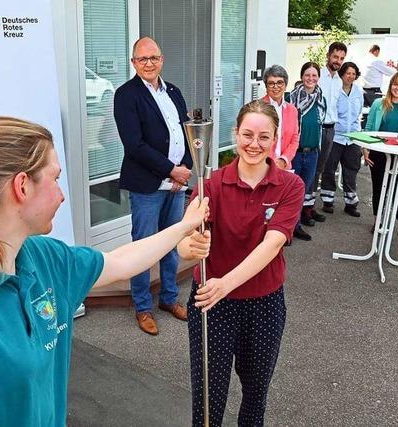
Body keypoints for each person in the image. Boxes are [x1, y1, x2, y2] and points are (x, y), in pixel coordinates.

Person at [0, 116, 209, 427]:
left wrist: (183, 227)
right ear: (22, 186)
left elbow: (122, 261)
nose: (63, 194)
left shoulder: (41, 257)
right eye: (55, 178)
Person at [179, 100, 304, 427]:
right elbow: (181, 241)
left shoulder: (291, 186)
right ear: (236, 134)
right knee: (208, 397)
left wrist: (225, 284)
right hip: (211, 304)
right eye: (247, 134)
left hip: (264, 304)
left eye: (264, 137)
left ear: (276, 138)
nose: (254, 144)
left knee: (255, 395)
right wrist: (192, 246)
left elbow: (272, 244)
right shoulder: (211, 185)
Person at [114, 36, 194, 335]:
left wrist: (183, 169)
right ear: (134, 63)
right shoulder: (126, 95)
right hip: (148, 185)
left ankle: (170, 299)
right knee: (144, 248)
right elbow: (134, 145)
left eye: (153, 58)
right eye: (142, 59)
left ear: (162, 59)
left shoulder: (173, 91)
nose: (149, 63)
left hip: (175, 183)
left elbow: (185, 132)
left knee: (171, 243)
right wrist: (171, 171)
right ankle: (143, 306)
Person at [363, 71, 398, 243]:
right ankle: (377, 222)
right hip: (379, 154)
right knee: (379, 189)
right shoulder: (378, 104)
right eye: (396, 84)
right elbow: (369, 128)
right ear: (390, 85)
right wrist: (365, 150)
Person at [320, 62, 364, 217]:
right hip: (336, 136)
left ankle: (351, 203)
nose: (350, 76)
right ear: (342, 74)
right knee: (329, 168)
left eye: (353, 74)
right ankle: (327, 200)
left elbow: (358, 112)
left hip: (352, 138)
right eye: (347, 73)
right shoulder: (336, 89)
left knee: (351, 170)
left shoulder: (358, 91)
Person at [290, 62, 327, 241]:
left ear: (318, 78)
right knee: (291, 192)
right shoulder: (292, 98)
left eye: (314, 75)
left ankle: (296, 225)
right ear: (301, 76)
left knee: (303, 191)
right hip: (295, 152)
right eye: (307, 75)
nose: (310, 79)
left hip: (312, 152)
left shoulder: (321, 98)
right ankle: (289, 228)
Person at [312, 42, 347, 221]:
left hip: (330, 129)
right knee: (310, 167)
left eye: (341, 58)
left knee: (320, 168)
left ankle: (309, 206)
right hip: (316, 128)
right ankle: (303, 207)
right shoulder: (318, 76)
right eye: (335, 57)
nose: (338, 61)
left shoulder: (339, 80)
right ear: (328, 56)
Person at [262, 65, 300, 170]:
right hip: (262, 165)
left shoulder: (292, 110)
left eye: (280, 82)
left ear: (285, 85)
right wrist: (273, 161)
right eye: (271, 83)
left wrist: (284, 159)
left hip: (284, 166)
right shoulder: (258, 108)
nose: (276, 86)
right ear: (266, 86)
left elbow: (295, 138)